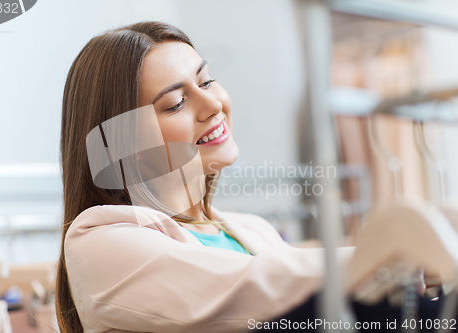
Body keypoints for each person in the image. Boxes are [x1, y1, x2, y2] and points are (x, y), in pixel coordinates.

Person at [56, 21, 352, 333]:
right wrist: (382, 255)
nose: (213, 105)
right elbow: (262, 288)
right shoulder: (100, 243)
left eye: (207, 81)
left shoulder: (254, 230)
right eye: (176, 103)